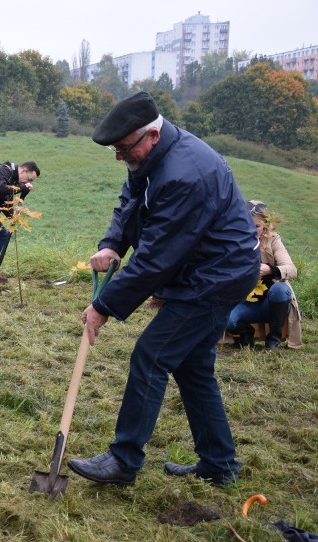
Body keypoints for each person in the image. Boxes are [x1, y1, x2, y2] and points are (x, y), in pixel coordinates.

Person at [66, 91, 259, 488]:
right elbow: (131, 201)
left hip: (217, 276)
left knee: (152, 355)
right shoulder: (152, 157)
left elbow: (157, 258)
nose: (121, 157)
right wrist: (112, 244)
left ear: (151, 135)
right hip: (204, 269)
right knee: (193, 368)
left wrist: (103, 306)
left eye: (123, 148)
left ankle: (124, 459)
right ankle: (220, 465)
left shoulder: (186, 172)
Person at [226, 200, 302, 351]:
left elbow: (292, 269)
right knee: (224, 318)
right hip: (243, 301)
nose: (251, 230)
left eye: (257, 226)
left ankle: (273, 340)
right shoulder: (233, 240)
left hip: (270, 302)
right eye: (247, 225)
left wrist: (270, 269)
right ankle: (246, 333)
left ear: (266, 227)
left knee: (280, 289)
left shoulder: (273, 240)